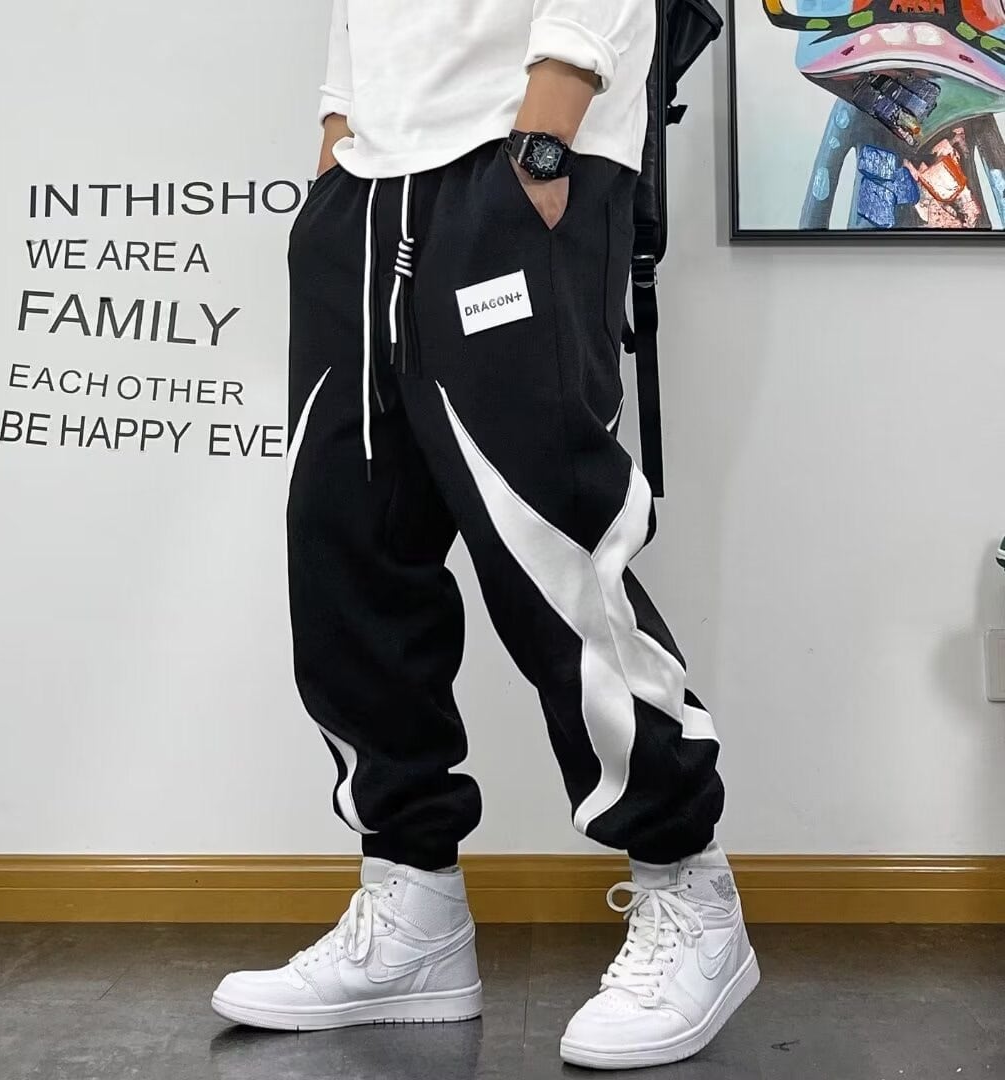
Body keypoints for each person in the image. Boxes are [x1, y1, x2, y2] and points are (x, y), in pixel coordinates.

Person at [211, 0, 759, 1068]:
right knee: (344, 550)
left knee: (549, 546)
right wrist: (338, 140)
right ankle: (410, 907)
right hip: (365, 191)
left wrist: (546, 136)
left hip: (515, 163)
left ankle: (688, 888)